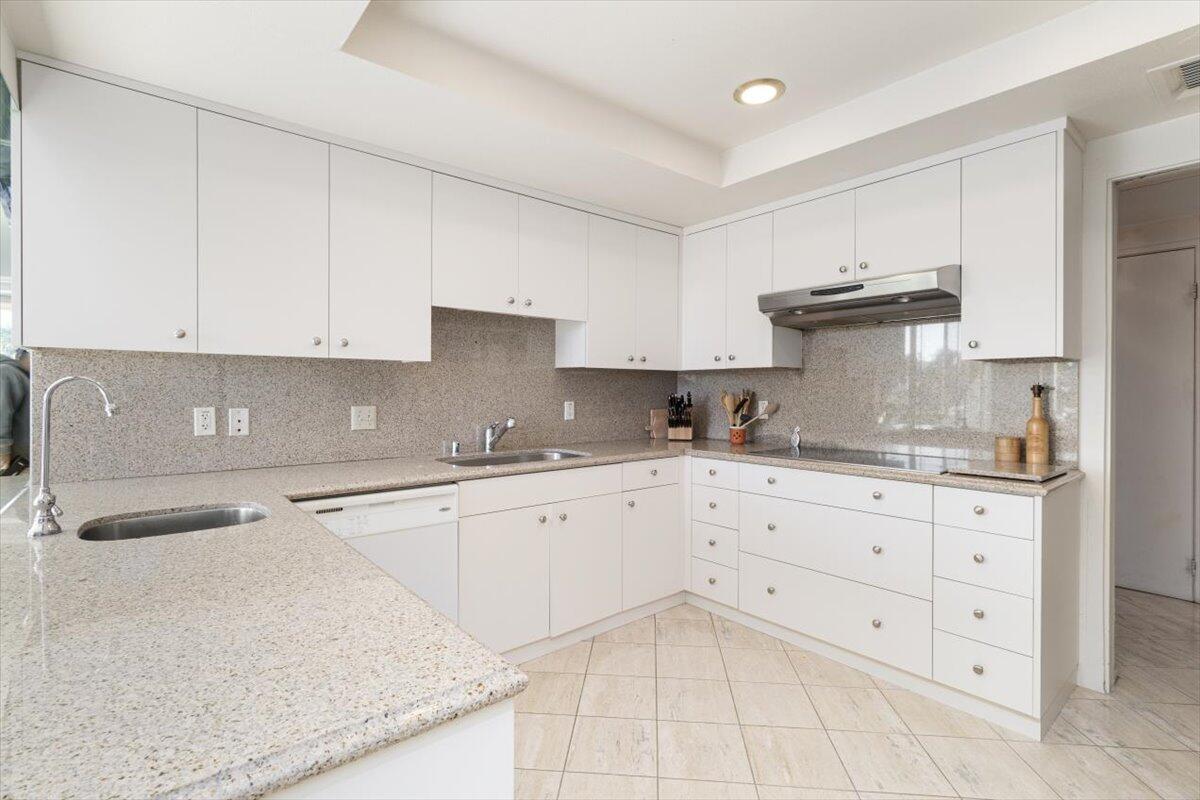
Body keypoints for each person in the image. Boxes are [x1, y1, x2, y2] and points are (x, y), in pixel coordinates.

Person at [1, 348, 30, 475]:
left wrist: (2, 448)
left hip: (14, 460)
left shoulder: (5, 373)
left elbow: (2, 412)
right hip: (21, 460)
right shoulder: (13, 373)